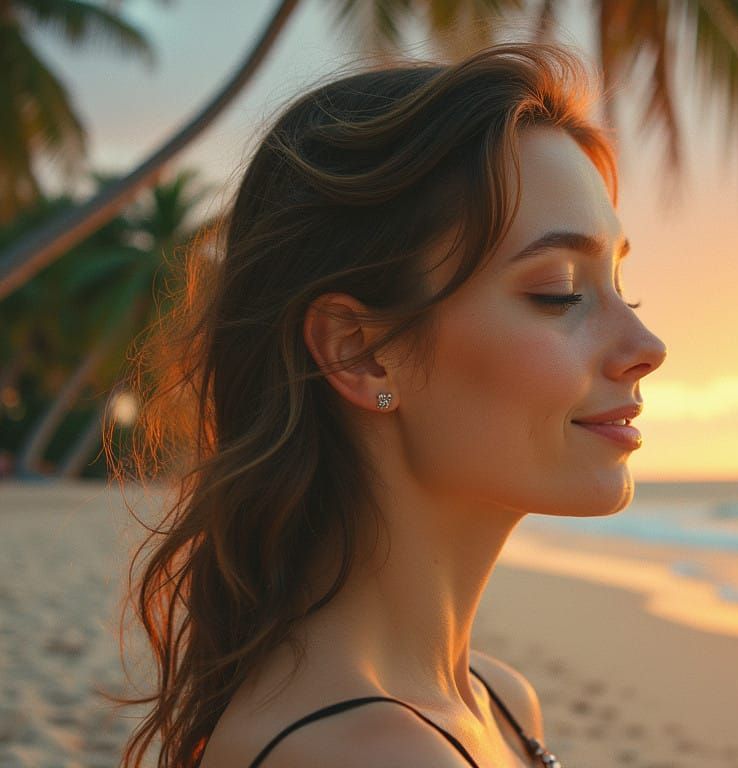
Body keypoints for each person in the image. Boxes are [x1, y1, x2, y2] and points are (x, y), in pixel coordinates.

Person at [113, 41, 666, 768]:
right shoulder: (369, 752)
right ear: (358, 350)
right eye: (558, 290)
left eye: (620, 288)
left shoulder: (495, 700)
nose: (645, 343)